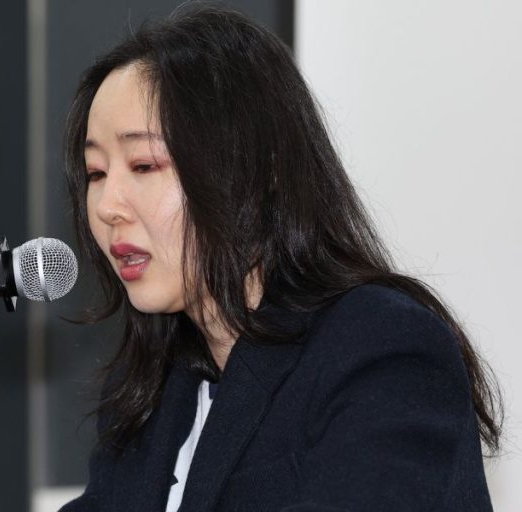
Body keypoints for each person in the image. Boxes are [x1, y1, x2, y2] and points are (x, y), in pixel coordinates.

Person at [58, 5, 500, 512]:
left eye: (144, 164)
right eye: (95, 173)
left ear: (255, 174)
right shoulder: (150, 390)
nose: (109, 206)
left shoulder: (379, 347)